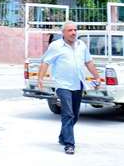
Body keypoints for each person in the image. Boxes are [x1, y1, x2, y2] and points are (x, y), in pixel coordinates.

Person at [37, 21, 102, 155]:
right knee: (68, 114)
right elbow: (45, 62)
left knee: (75, 116)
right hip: (63, 85)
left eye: (75, 30)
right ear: (63, 33)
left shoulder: (81, 45)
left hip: (78, 84)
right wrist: (40, 78)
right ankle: (69, 144)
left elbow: (88, 61)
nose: (73, 33)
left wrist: (97, 77)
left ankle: (63, 136)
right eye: (70, 30)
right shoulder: (56, 46)